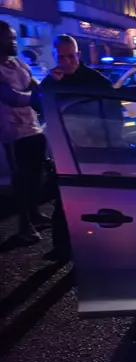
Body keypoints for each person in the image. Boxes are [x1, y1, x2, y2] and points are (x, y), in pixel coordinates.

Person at [39, 34, 117, 261]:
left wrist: (109, 148)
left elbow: (114, 118)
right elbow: (38, 104)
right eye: (61, 57)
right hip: (64, 150)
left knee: (97, 201)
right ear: (54, 56)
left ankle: (97, 249)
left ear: (78, 55)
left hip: (95, 150)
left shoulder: (97, 81)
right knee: (63, 200)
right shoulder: (53, 80)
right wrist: (51, 84)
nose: (67, 62)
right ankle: (62, 249)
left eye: (70, 56)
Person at [0, 20, 50, 245]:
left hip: (32, 128)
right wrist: (36, 98)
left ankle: (36, 215)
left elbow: (34, 84)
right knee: (21, 181)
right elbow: (12, 97)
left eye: (13, 37)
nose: (14, 41)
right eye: (9, 38)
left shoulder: (18, 63)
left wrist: (40, 91)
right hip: (12, 133)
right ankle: (24, 226)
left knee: (35, 177)